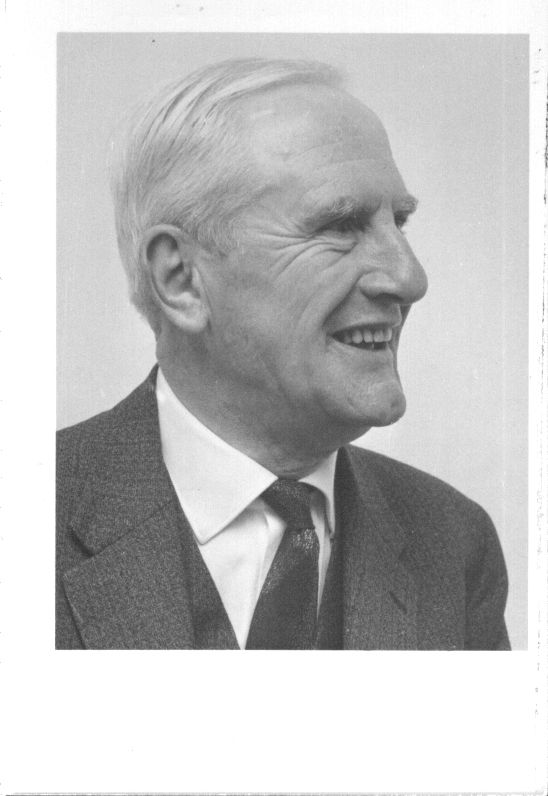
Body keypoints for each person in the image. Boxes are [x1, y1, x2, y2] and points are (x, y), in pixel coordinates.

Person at [56, 57, 510, 650]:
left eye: (399, 222)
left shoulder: (454, 544)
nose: (408, 278)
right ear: (181, 279)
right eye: (340, 226)